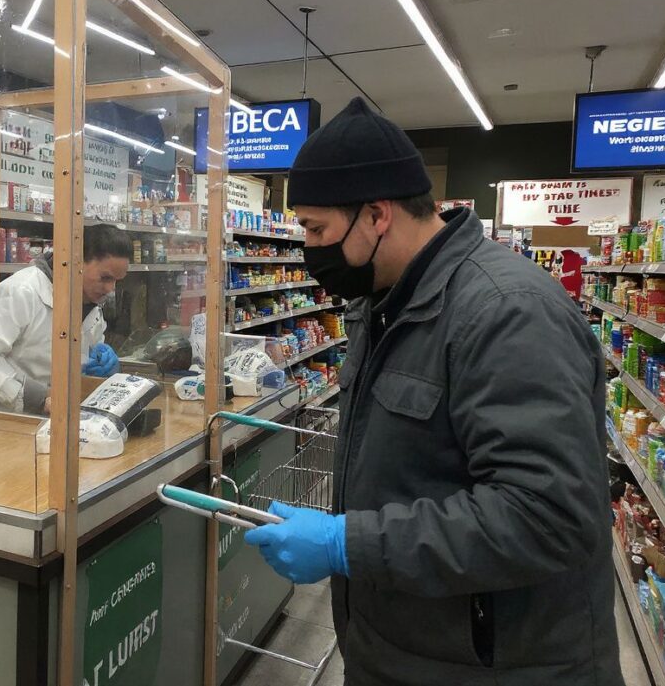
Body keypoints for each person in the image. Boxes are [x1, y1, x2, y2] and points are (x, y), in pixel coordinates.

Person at [244, 97, 622, 685]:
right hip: (404, 651)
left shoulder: (508, 313)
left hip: (499, 667)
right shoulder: (385, 301)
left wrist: (349, 544)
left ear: (377, 215)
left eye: (317, 228)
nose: (309, 248)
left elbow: (550, 516)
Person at [0, 223, 131, 415]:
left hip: (61, 417)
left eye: (116, 281)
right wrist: (37, 398)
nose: (110, 289)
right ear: (77, 262)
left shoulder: (90, 303)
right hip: (7, 418)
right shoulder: (22, 291)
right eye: (105, 278)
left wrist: (100, 365)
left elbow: (86, 355)